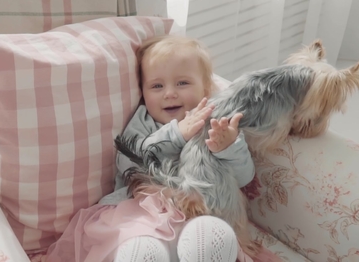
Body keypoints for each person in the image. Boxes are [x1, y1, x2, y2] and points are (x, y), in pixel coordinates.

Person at [46, 35, 256, 262]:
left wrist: (227, 147)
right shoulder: (144, 121)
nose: (169, 93)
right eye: (157, 86)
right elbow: (129, 162)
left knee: (216, 234)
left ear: (205, 88)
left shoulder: (218, 125)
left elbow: (244, 178)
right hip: (141, 214)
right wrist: (177, 134)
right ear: (143, 92)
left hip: (197, 214)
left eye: (182, 83)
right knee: (142, 250)